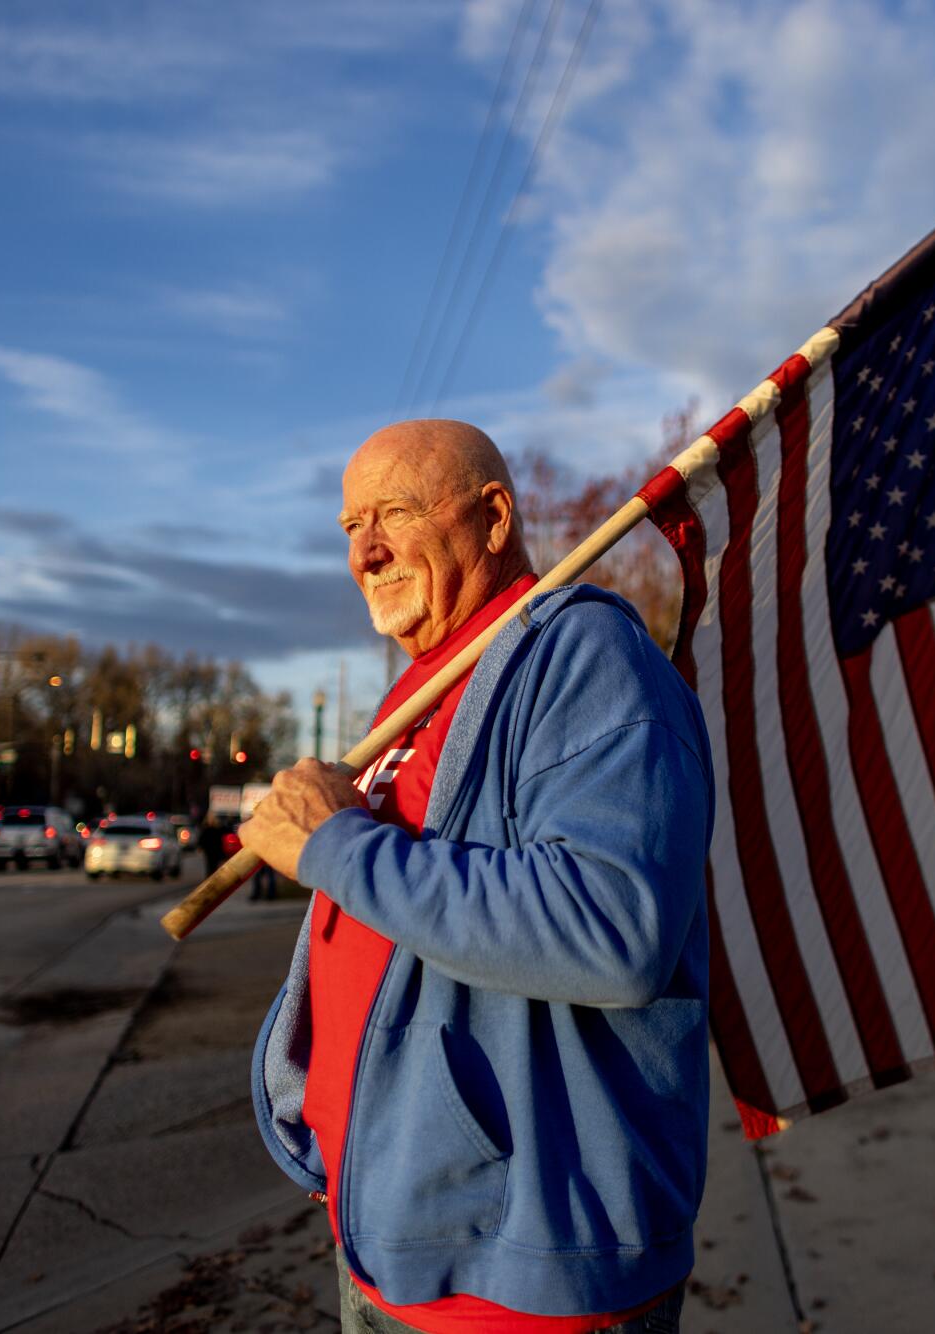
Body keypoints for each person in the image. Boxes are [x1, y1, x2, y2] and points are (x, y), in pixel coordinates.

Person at [247, 420, 714, 1333]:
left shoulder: (583, 661)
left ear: (493, 518)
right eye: (349, 526)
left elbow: (611, 930)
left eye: (394, 514)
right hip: (387, 1240)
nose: (366, 551)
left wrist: (337, 844)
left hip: (521, 1281)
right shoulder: (415, 693)